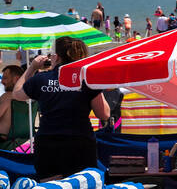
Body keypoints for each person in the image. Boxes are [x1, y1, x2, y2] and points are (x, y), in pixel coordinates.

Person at [12, 37, 109, 179]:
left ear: (56, 57)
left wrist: (32, 67)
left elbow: (16, 94)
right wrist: (95, 83)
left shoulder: (41, 79)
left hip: (48, 142)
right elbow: (104, 114)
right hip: (80, 141)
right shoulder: (85, 79)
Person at [0, 63, 37, 148]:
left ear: (16, 79)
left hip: (5, 142)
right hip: (26, 142)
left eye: (5, 78)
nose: (2, 82)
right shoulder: (32, 97)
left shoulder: (7, 97)